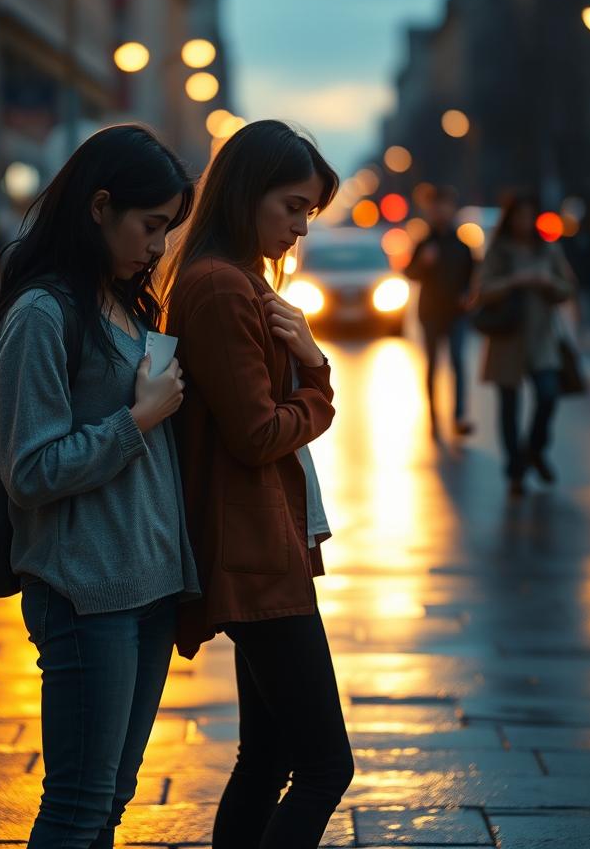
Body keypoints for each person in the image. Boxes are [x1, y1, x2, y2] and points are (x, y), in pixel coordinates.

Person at [0, 124, 199, 849]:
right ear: (100, 207)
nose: (158, 246)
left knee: (111, 800)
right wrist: (139, 418)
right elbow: (29, 471)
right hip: (86, 592)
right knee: (76, 806)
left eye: (168, 228)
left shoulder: (125, 303)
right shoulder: (43, 314)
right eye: (151, 225)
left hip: (151, 586)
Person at [165, 120, 353, 849]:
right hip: (253, 555)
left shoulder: (232, 279)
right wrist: (315, 374)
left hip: (258, 546)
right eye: (294, 207)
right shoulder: (221, 287)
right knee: (324, 766)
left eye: (308, 212)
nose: (301, 228)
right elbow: (257, 434)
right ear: (248, 193)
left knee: (269, 755)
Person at [475, 192, 574, 497]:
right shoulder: (499, 251)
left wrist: (547, 282)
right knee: (509, 407)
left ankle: (534, 449)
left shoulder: (548, 250)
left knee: (548, 395)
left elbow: (568, 287)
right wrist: (515, 280)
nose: (525, 222)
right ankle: (515, 471)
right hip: (507, 339)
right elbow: (483, 290)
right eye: (519, 215)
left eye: (530, 215)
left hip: (541, 338)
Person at [404, 185, 476, 439]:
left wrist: (469, 295)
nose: (441, 211)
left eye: (445, 206)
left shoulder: (462, 245)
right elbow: (409, 273)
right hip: (431, 312)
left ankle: (458, 417)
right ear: (430, 211)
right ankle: (434, 418)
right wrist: (423, 263)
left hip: (456, 313)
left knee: (458, 361)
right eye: (436, 207)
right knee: (433, 365)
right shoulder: (424, 243)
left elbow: (473, 276)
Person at [564, 208, 590, 349]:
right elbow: (568, 258)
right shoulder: (571, 240)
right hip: (578, 280)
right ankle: (581, 333)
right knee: (579, 309)